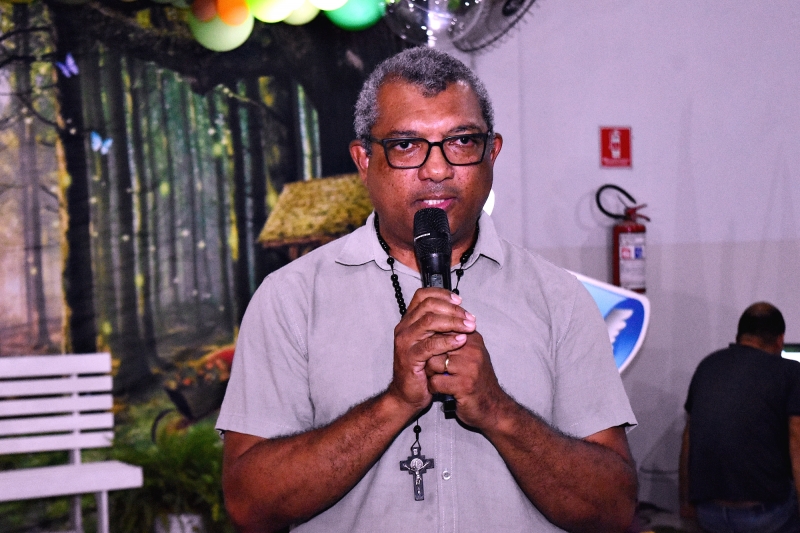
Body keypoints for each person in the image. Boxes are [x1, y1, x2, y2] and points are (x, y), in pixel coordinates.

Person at [216, 46, 638, 533]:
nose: (437, 170)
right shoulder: (291, 299)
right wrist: (395, 402)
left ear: (492, 152)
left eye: (461, 141)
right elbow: (250, 507)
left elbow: (614, 509)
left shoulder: (558, 297)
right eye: (406, 146)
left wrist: (498, 411)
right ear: (364, 160)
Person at [680, 302, 800, 533]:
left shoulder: (708, 365)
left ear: (739, 337)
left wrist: (685, 503)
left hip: (709, 514)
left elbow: (688, 439)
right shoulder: (790, 372)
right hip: (765, 516)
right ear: (780, 340)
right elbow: (797, 442)